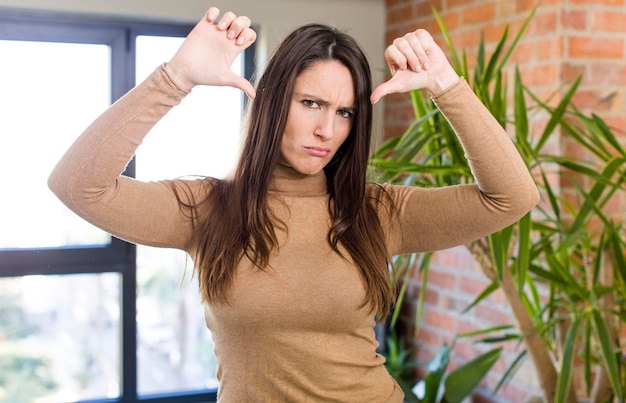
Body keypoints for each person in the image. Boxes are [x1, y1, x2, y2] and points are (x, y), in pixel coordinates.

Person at [48, 6, 539, 402]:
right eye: (311, 104)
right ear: (273, 100)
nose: (328, 130)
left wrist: (446, 88)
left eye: (344, 112)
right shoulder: (207, 208)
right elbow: (78, 185)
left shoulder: (376, 210)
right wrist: (176, 77)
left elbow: (511, 197)